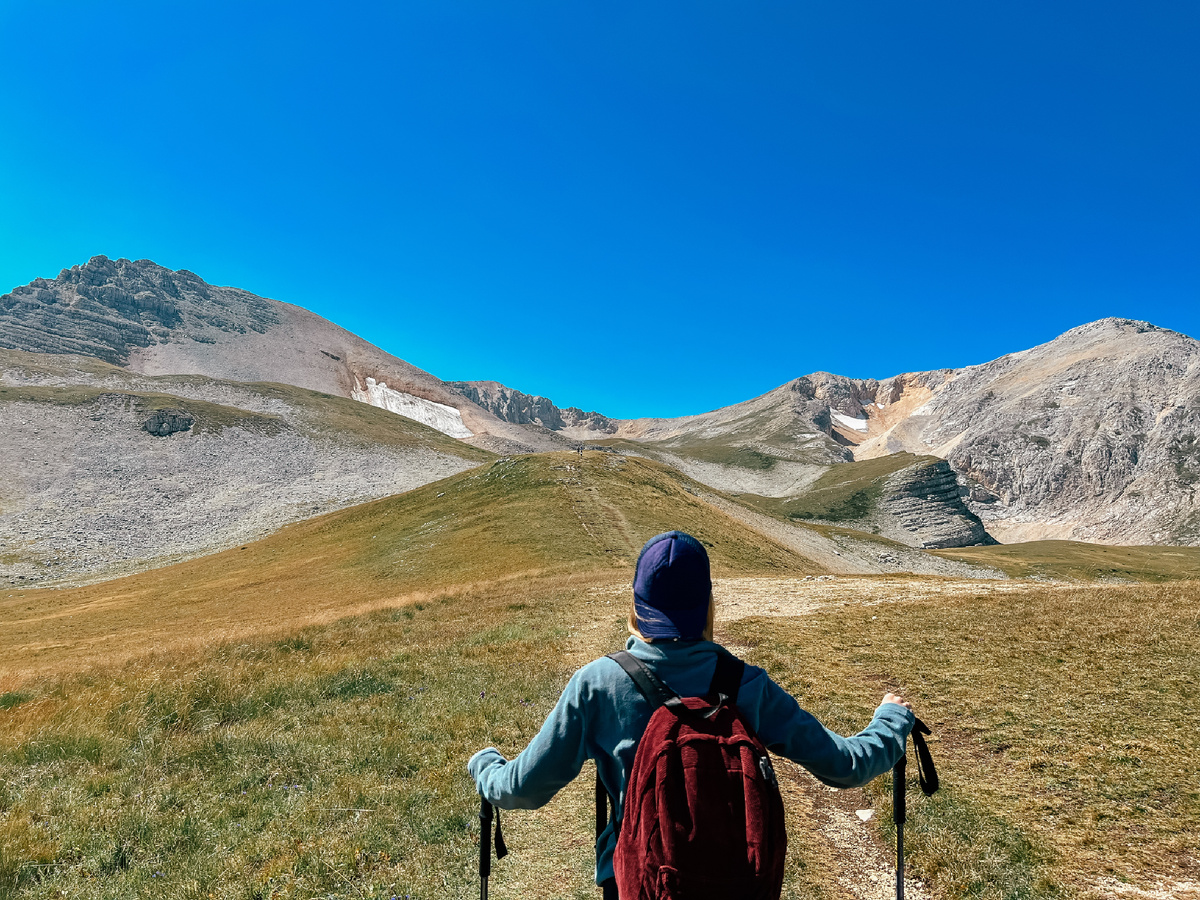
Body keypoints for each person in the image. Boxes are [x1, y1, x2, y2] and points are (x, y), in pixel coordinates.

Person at [468, 531, 915, 897]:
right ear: (707, 605)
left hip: (639, 886)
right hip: (736, 885)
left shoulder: (598, 684)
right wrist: (891, 720)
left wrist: (485, 766)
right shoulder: (747, 684)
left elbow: (522, 789)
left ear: (637, 604)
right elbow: (846, 765)